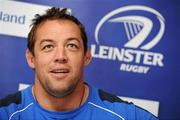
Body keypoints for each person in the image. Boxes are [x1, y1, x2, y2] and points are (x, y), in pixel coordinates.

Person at [0, 7, 158, 120]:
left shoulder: (128, 116)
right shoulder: (6, 114)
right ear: (31, 58)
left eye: (71, 46)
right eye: (48, 46)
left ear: (86, 57)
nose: (60, 56)